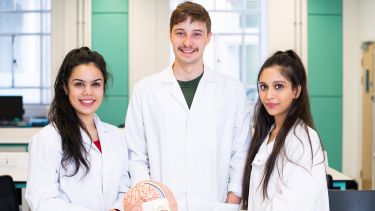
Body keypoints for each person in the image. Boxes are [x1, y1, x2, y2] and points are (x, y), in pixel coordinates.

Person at [124, 1, 251, 210]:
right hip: (160, 207)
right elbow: (136, 155)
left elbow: (241, 153)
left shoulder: (232, 91)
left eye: (197, 34)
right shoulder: (145, 91)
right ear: (170, 35)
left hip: (215, 205)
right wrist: (149, 202)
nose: (188, 42)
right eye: (180, 33)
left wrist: (232, 201)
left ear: (209, 37)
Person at [26, 47, 130, 211]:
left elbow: (125, 189)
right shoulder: (48, 139)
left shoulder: (116, 136)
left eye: (95, 84)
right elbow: (42, 201)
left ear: (103, 87)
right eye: (79, 84)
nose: (88, 92)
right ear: (66, 88)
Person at [241, 50, 329, 211]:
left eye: (279, 86)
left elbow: (293, 205)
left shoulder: (302, 139)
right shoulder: (266, 135)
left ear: (296, 91)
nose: (268, 95)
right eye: (263, 87)